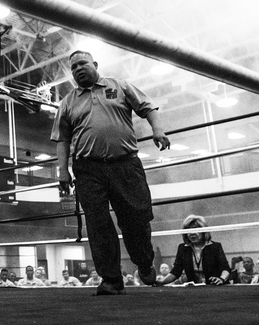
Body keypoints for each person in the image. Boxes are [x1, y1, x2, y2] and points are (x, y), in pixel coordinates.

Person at [52, 50, 170, 296]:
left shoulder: (119, 86)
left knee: (136, 218)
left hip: (125, 164)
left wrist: (158, 130)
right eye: (73, 67)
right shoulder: (68, 102)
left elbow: (148, 108)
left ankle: (144, 261)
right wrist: (62, 171)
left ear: (95, 64)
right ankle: (111, 280)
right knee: (97, 224)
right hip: (88, 169)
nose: (78, 69)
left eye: (82, 63)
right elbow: (62, 139)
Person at [156, 215, 230, 286]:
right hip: (194, 290)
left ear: (204, 231)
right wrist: (162, 282)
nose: (192, 234)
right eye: (189, 231)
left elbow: (225, 268)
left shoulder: (215, 246)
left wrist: (221, 279)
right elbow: (176, 271)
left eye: (195, 230)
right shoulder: (183, 248)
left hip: (214, 288)